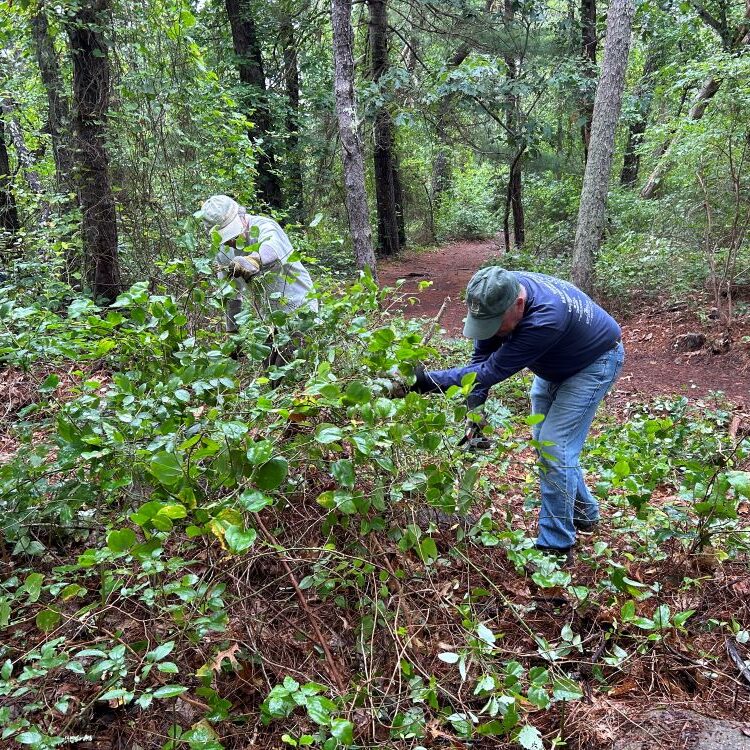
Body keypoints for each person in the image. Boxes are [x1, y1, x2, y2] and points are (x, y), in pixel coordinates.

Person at [394, 267, 624, 560]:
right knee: (546, 442)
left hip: (594, 361)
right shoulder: (495, 291)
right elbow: (481, 358)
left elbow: (491, 371)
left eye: (495, 323)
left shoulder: (545, 318)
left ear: (518, 304)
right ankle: (584, 512)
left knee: (554, 447)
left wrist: (424, 382)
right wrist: (475, 417)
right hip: (555, 362)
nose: (491, 330)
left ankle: (556, 545)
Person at [195, 195, 317, 365]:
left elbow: (271, 248)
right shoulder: (223, 253)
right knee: (271, 373)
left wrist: (254, 260)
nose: (231, 241)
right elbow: (232, 295)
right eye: (226, 237)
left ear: (241, 216)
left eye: (233, 234)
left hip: (299, 308)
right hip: (269, 319)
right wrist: (233, 335)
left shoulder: (264, 226)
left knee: (292, 369)